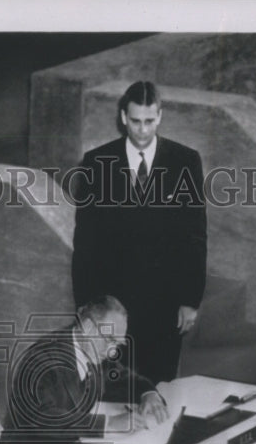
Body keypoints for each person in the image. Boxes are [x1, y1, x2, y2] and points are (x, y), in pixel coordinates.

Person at [71, 80, 207, 384]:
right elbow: (85, 240)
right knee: (114, 388)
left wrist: (190, 299)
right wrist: (84, 303)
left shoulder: (185, 161)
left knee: (159, 390)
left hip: (165, 302)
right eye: (135, 121)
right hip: (114, 304)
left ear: (159, 116)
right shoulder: (96, 163)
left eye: (149, 121)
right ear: (123, 118)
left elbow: (195, 236)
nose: (142, 130)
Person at [8, 295, 168, 439]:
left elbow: (127, 379)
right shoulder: (41, 358)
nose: (112, 352)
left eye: (118, 344)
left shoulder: (97, 352)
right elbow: (42, 418)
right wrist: (109, 423)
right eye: (110, 340)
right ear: (88, 327)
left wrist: (149, 394)